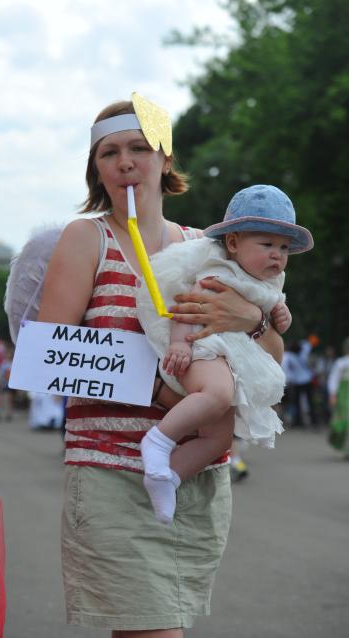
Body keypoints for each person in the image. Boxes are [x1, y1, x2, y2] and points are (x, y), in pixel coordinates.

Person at [34, 93, 285, 637]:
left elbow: (268, 365)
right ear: (96, 170)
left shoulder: (209, 247)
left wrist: (251, 322)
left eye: (139, 148)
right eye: (109, 153)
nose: (125, 162)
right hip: (113, 474)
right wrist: (173, 396)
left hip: (199, 475)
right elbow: (48, 357)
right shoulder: (87, 239)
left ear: (165, 160)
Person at [137, 184, 313, 523]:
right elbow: (187, 307)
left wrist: (280, 316)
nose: (277, 255)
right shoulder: (221, 273)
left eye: (283, 247)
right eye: (266, 245)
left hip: (229, 360)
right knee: (218, 393)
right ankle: (158, 441)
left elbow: (274, 324)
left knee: (219, 439)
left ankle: (167, 476)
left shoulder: (270, 281)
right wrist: (179, 343)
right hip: (200, 349)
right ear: (233, 244)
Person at [327, 337, 349, 457]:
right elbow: (333, 379)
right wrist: (333, 394)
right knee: (345, 421)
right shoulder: (342, 363)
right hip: (344, 395)